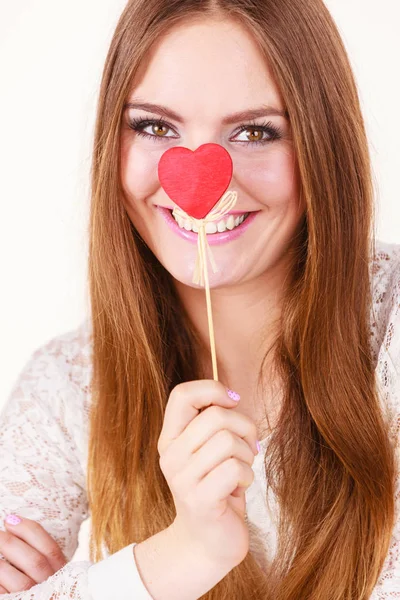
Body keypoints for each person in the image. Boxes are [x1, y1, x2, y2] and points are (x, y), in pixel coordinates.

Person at [1, 0, 399, 598]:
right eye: (155, 127)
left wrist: (104, 584)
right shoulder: (65, 384)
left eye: (256, 131)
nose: (199, 187)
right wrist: (185, 553)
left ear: (324, 147)